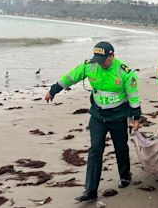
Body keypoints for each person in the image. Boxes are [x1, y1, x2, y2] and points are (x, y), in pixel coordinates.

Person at [44, 42, 141, 202]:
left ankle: (125, 176)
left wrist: (135, 118)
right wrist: (53, 90)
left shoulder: (126, 73)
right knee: (95, 150)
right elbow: (71, 77)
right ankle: (90, 191)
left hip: (118, 117)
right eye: (98, 59)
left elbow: (133, 97)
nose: (101, 63)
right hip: (97, 116)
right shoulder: (90, 65)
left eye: (104, 59)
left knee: (121, 148)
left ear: (112, 55)